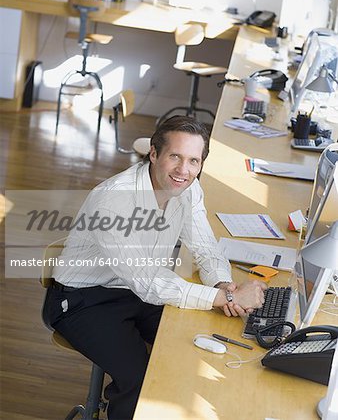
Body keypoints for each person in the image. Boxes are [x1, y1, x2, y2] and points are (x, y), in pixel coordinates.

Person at [47, 116, 266, 419]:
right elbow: (148, 282)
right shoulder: (113, 200)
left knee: (196, 339)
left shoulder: (188, 189)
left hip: (132, 291)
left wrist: (222, 285)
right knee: (140, 377)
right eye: (175, 156)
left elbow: (205, 248)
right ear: (154, 154)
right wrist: (226, 299)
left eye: (193, 160)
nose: (183, 170)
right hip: (82, 301)